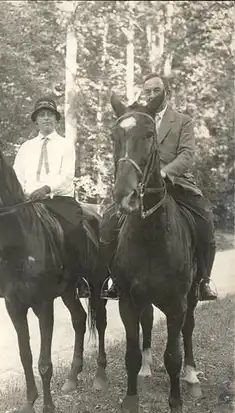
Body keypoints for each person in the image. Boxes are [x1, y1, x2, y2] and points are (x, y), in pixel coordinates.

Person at [100, 73, 217, 302]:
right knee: (107, 220)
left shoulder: (182, 121)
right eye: (148, 91)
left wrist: (165, 172)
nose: (152, 94)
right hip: (141, 184)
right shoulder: (137, 119)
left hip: (175, 183)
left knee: (205, 218)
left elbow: (187, 154)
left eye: (156, 90)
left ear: (167, 92)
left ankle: (203, 279)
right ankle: (113, 277)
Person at [0, 95, 90, 299]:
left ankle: (79, 277)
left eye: (50, 115)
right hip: (27, 202)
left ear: (56, 119)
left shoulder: (65, 145)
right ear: (36, 121)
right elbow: (16, 175)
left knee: (75, 229)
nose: (46, 119)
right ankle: (2, 277)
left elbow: (67, 175)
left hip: (57, 200)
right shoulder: (26, 147)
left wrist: (46, 188)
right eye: (42, 115)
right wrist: (22, 194)